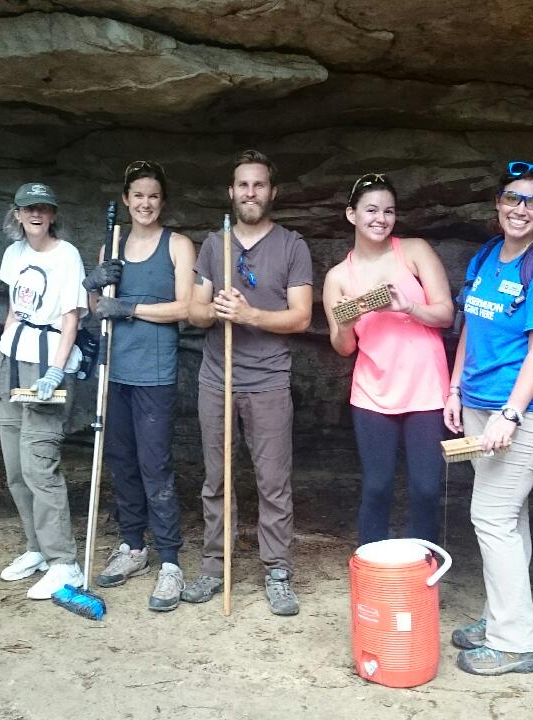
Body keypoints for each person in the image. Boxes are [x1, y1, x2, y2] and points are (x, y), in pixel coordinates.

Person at [444, 161, 533, 676]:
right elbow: (469, 330)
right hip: (482, 405)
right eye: (512, 198)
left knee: (491, 517)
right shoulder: (487, 256)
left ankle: (516, 642)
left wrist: (512, 412)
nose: (520, 209)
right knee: (508, 516)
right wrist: (455, 388)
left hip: (526, 413)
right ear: (497, 204)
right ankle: (499, 617)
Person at [184, 149, 313, 616]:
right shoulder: (213, 244)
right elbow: (195, 312)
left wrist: (250, 314)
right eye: (243, 185)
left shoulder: (292, 246)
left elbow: (301, 318)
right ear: (231, 192)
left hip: (268, 380)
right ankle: (215, 566)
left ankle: (276, 570)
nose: (250, 193)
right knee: (216, 479)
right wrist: (215, 308)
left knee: (272, 482)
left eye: (259, 185)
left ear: (271, 192)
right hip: (216, 377)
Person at [83, 161, 196, 612]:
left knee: (155, 465)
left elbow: (185, 306)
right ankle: (133, 545)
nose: (145, 203)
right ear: (126, 200)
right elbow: (97, 310)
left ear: (161, 201)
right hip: (116, 370)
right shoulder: (111, 244)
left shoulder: (178, 245)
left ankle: (170, 559)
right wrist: (93, 286)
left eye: (153, 196)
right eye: (138, 196)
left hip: (155, 371)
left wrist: (127, 306)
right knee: (121, 460)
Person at [321, 173, 453, 547]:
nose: (381, 218)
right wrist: (345, 323)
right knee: (377, 487)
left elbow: (445, 314)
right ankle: (372, 571)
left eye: (389, 211)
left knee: (426, 489)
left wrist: (409, 307)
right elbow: (344, 346)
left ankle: (421, 572)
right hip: (372, 392)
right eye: (371, 210)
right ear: (352, 215)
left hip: (426, 389)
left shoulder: (413, 250)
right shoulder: (338, 277)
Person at [0, 182, 89, 599]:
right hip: (13, 360)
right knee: (14, 464)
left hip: (46, 360)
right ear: (17, 213)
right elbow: (15, 310)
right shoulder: (14, 255)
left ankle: (65, 562)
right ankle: (38, 548)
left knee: (39, 463)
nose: (36, 214)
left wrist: (55, 371)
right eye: (28, 208)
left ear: (52, 215)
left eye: (44, 209)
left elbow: (70, 318)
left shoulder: (66, 256)